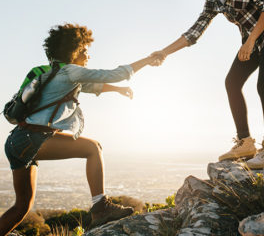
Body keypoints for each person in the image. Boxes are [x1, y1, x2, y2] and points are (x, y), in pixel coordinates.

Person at [0, 23, 160, 236]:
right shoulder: (71, 71)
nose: (88, 55)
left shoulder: (57, 73)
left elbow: (94, 86)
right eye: (85, 50)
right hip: (33, 139)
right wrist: (148, 61)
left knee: (21, 207)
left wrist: (118, 90)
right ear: (73, 51)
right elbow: (114, 74)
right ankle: (100, 207)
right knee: (93, 148)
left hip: (16, 142)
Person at [151, 0, 264, 170]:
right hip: (251, 42)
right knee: (232, 82)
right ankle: (245, 142)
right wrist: (163, 52)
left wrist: (250, 40)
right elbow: (194, 33)